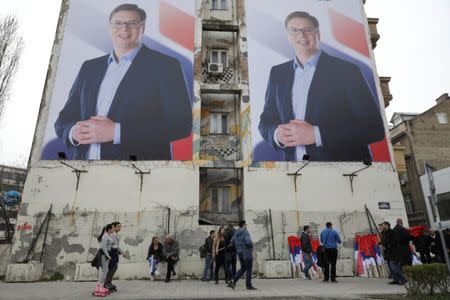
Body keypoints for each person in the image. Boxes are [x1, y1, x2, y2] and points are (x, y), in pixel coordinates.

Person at [54, 3, 192, 160]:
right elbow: (63, 119)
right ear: (109, 28)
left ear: (143, 27)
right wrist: (73, 132)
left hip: (139, 173)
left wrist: (117, 132)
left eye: (132, 23)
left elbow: (180, 124)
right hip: (81, 171)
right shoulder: (89, 68)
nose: (124, 29)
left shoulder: (166, 66)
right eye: (118, 23)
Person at [258, 11, 384, 162]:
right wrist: (276, 134)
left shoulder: (347, 70)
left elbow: (373, 127)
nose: (302, 35)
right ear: (288, 36)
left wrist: (316, 135)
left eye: (308, 30)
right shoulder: (278, 73)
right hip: (293, 174)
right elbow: (266, 120)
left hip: (345, 173)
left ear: (318, 33)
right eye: (295, 30)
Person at [229, 220, 256, 290]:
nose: (246, 225)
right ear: (244, 225)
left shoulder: (236, 232)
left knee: (243, 267)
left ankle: (233, 280)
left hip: (239, 253)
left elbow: (231, 241)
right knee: (249, 269)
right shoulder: (245, 232)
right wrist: (251, 245)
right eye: (246, 224)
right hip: (246, 252)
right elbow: (248, 242)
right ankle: (248, 285)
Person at [390, 218, 412, 285]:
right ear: (401, 222)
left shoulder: (393, 230)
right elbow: (408, 238)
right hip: (404, 249)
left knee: (397, 264)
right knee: (405, 263)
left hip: (396, 250)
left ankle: (397, 279)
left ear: (396, 222)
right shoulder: (403, 229)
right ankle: (404, 278)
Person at [94, 224, 114, 296]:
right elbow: (103, 247)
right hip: (104, 255)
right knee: (104, 271)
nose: (113, 229)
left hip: (106, 255)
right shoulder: (105, 236)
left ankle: (100, 287)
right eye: (112, 228)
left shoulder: (109, 236)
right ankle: (99, 287)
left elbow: (109, 246)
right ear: (109, 229)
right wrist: (108, 256)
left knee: (105, 271)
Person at [104, 221, 124, 291]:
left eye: (120, 226)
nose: (119, 227)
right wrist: (122, 252)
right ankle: (107, 283)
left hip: (114, 252)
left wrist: (120, 252)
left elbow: (116, 245)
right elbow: (115, 245)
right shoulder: (113, 235)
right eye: (118, 226)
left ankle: (108, 282)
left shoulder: (115, 234)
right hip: (112, 253)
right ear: (114, 227)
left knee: (114, 267)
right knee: (113, 267)